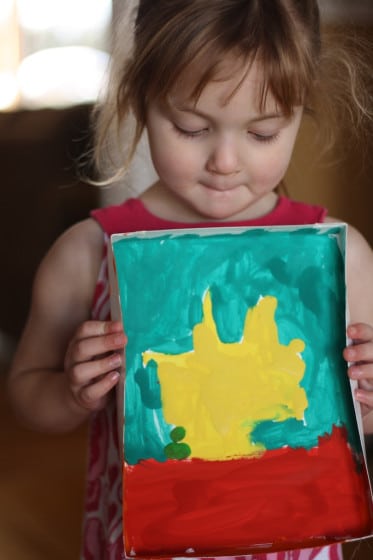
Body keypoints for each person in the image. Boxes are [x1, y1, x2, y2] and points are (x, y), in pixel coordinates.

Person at [7, 1, 373, 559]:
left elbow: (357, 428)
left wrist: (367, 399)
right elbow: (26, 396)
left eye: (263, 132)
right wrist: (69, 391)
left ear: (300, 111)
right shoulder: (86, 254)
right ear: (139, 99)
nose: (225, 161)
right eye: (191, 127)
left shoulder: (342, 257)